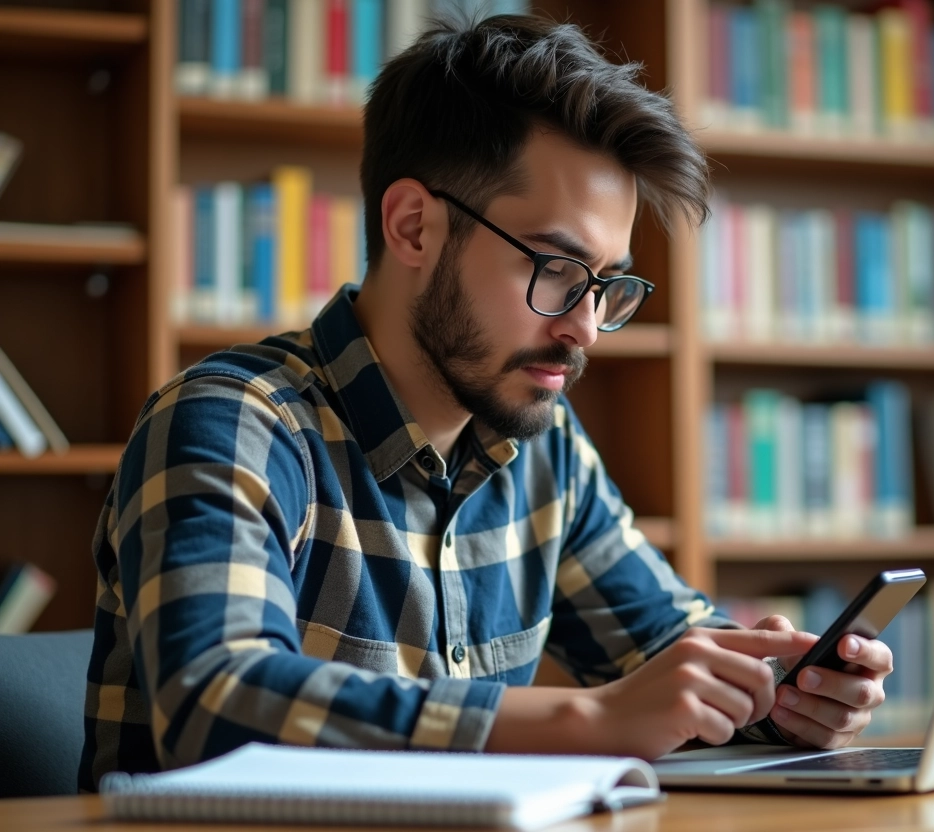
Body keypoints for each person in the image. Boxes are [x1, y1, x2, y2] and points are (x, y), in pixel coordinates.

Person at [79, 14, 893, 791]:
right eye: (556, 271)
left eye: (609, 287)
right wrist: (589, 718)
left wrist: (786, 696)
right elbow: (214, 702)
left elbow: (674, 663)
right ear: (414, 228)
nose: (586, 330)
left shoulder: (544, 445)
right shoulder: (232, 422)